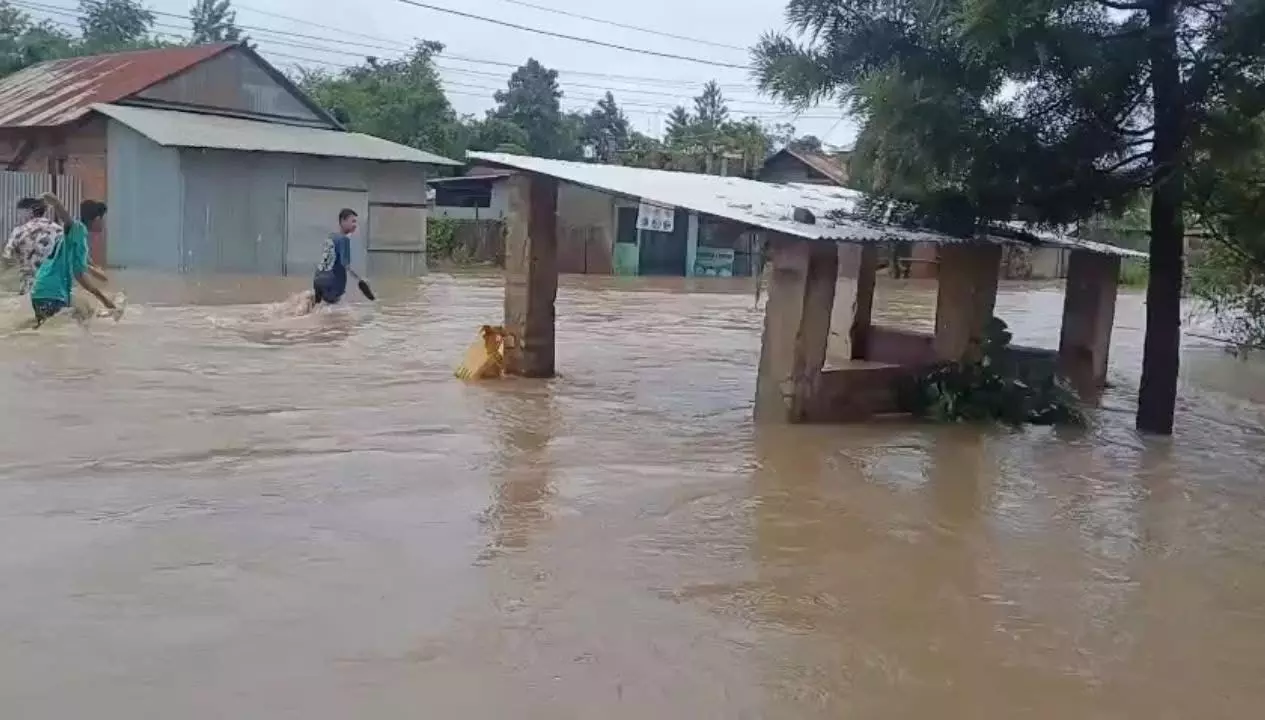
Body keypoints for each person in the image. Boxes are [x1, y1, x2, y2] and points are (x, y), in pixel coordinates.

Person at [28, 194, 119, 327]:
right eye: (103, 220)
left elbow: (85, 264)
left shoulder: (78, 238)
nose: (104, 224)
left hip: (41, 291)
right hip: (52, 293)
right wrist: (105, 300)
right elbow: (80, 275)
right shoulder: (78, 230)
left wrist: (103, 277)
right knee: (71, 325)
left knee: (74, 318)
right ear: (97, 219)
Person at [2, 197, 64, 294]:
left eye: (20, 213)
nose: (18, 217)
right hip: (57, 288)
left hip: (31, 290)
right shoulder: (59, 230)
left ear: (29, 212)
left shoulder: (19, 231)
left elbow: (6, 259)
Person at [312, 208, 363, 306]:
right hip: (332, 283)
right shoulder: (344, 240)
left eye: (355, 222)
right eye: (352, 221)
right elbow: (346, 265)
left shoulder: (330, 237)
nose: (355, 225)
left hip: (318, 279)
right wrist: (360, 279)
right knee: (335, 316)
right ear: (343, 221)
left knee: (318, 310)